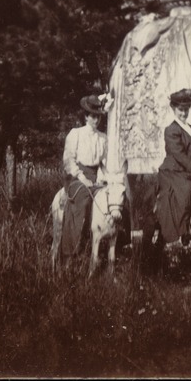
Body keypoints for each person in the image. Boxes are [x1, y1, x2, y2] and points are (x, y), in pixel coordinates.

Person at [156, 88, 191, 245]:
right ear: (174, 109)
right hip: (173, 172)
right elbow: (179, 156)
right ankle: (183, 232)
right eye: (180, 110)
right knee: (188, 190)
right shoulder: (171, 130)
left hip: (189, 171)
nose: (184, 113)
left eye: (186, 109)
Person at [61, 94, 108, 260]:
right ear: (86, 117)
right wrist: (82, 177)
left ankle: (108, 245)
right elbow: (69, 160)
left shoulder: (103, 138)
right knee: (84, 199)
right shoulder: (76, 134)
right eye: (93, 116)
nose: (96, 120)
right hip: (77, 177)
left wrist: (103, 179)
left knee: (114, 201)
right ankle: (74, 249)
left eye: (99, 117)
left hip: (97, 177)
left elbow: (104, 163)